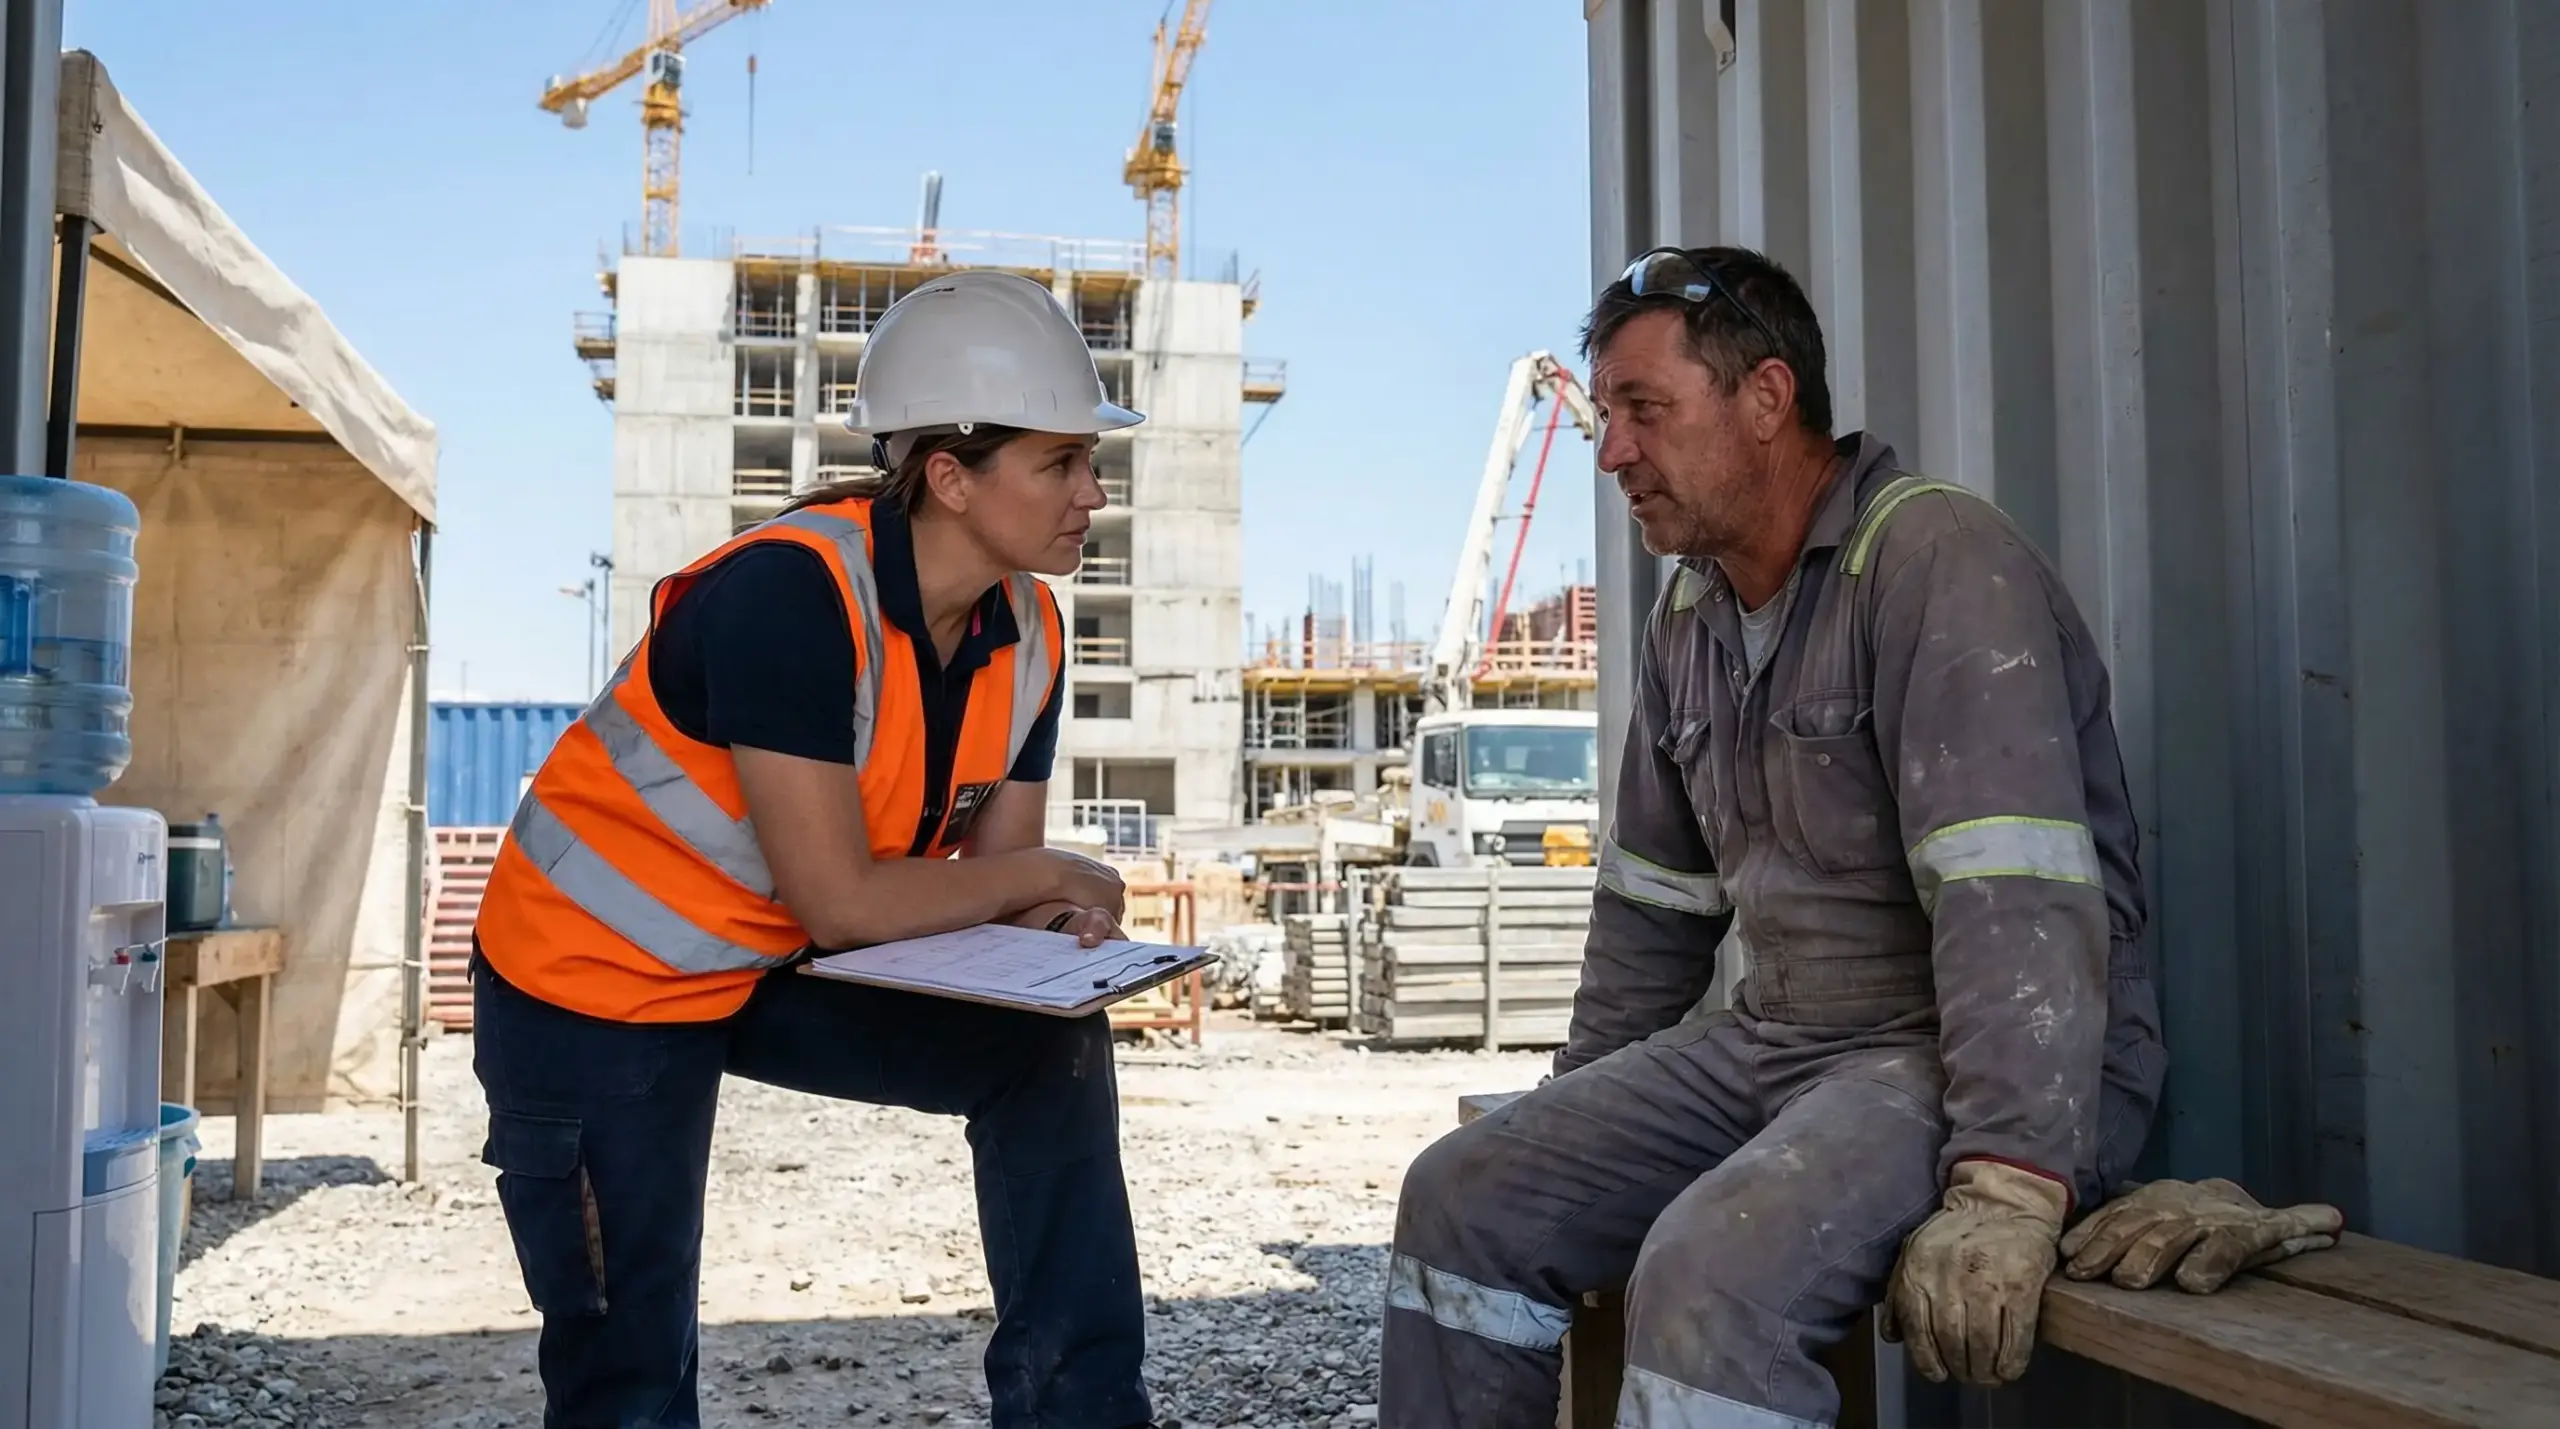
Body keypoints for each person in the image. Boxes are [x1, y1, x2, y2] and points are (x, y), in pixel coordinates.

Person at [1380, 247, 2338, 1427]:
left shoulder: (1932, 561)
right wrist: (1581, 1116)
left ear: (1766, 399)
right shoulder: (1691, 611)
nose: (1611, 448)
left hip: (1958, 1056)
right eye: (1608, 414)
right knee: (1464, 1195)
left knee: (1708, 1273)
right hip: (1779, 1040)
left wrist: (2005, 1184)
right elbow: (1654, 904)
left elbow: (2014, 899)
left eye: (1643, 409)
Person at [469, 269, 1162, 1429]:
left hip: (769, 959)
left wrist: (1056, 930)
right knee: (626, 1373)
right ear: (949, 474)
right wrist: (1044, 877)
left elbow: (986, 883)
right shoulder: (788, 594)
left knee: (1046, 1050)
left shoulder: (1030, 626)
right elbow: (844, 901)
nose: (1093, 492)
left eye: (1090, 462)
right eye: (1061, 463)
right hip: (595, 982)